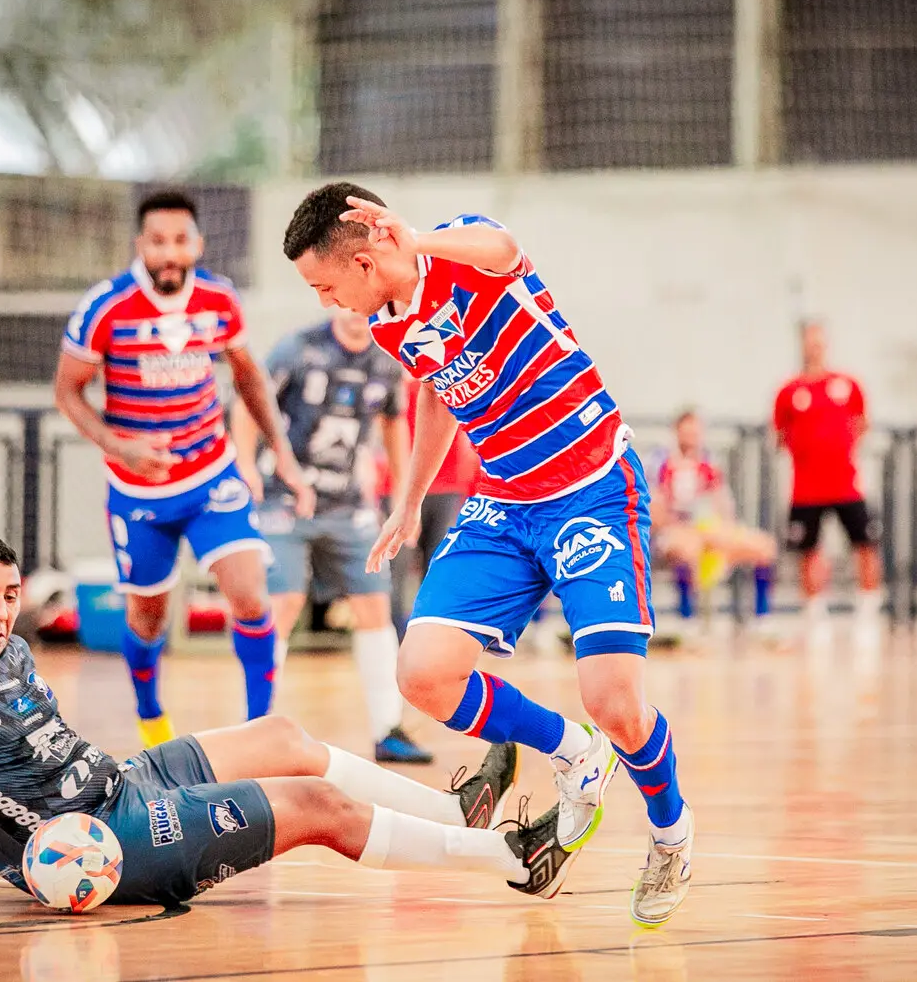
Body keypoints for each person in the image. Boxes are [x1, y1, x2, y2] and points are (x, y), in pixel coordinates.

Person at [282, 184, 692, 928]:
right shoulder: (383, 321)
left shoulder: (462, 247)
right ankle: (574, 753)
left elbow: (505, 250)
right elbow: (436, 392)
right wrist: (409, 500)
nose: (325, 300)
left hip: (591, 487)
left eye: (326, 283)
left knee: (617, 701)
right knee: (424, 673)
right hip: (504, 500)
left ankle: (671, 835)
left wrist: (420, 239)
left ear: (369, 258)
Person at [0, 530, 571, 917]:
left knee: (285, 735)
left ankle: (450, 810)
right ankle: (508, 855)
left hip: (121, 783)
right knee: (316, 807)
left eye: (8, 593)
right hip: (91, 844)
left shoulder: (18, 647)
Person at [55, 191, 314, 747]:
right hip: (138, 490)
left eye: (180, 241)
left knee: (249, 595)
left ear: (196, 244)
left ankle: (258, 732)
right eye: (158, 242)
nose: (169, 253)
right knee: (148, 619)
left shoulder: (219, 299)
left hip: (211, 475)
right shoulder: (106, 306)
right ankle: (151, 719)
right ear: (140, 246)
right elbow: (68, 392)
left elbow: (248, 377)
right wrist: (118, 446)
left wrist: (283, 457)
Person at [231, 308, 432, 764]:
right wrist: (244, 462)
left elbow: (394, 422)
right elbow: (247, 402)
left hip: (348, 505)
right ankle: (254, 729)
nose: (360, 313)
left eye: (371, 307)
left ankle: (388, 729)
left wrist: (404, 496)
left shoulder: (387, 357)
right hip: (285, 498)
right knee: (281, 603)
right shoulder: (298, 347)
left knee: (374, 608)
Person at [772, 321, 883, 625]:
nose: (814, 346)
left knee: (865, 543)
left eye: (819, 341)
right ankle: (814, 610)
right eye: (809, 341)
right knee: (809, 549)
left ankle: (869, 606)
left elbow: (862, 423)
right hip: (806, 488)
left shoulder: (848, 385)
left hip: (846, 485)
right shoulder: (789, 391)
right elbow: (779, 435)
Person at [651, 408, 776, 616]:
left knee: (764, 547)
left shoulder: (708, 464)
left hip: (709, 529)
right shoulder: (660, 463)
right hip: (676, 530)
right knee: (688, 551)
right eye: (687, 433)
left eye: (695, 433)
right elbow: (655, 512)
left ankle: (761, 617)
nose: (692, 438)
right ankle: (687, 618)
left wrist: (723, 530)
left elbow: (724, 507)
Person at [390, 376, 481, 633]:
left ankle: (431, 631)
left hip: (448, 488)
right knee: (397, 564)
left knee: (437, 565)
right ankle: (396, 635)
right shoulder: (396, 387)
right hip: (407, 489)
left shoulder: (453, 383)